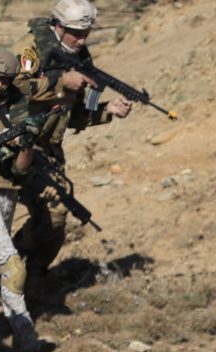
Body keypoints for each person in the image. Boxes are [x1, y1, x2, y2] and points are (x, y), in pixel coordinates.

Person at [12, 0, 132, 297]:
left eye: (86, 33)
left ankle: (33, 282)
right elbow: (16, 85)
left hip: (49, 149)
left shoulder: (79, 56)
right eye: (76, 33)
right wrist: (60, 82)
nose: (81, 40)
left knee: (57, 219)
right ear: (57, 26)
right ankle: (7, 260)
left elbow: (74, 114)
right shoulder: (29, 49)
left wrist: (107, 111)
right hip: (16, 144)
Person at [0, 47, 49, 352]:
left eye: (4, 79)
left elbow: (19, 169)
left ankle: (20, 337)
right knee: (11, 266)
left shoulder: (18, 103)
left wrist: (26, 142)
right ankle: (26, 335)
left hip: (4, 191)